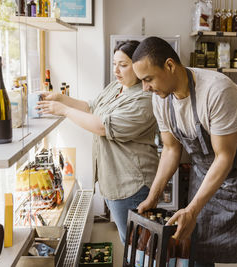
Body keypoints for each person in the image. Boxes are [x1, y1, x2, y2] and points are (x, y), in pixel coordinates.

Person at [133, 37, 237, 267]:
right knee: (198, 248)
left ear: (170, 65)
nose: (146, 88)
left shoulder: (217, 90)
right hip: (205, 174)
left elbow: (224, 156)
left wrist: (192, 209)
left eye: (148, 79)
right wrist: (153, 198)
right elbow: (170, 149)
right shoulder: (161, 99)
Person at [37, 40, 159, 243]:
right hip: (113, 179)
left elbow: (102, 127)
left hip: (132, 184)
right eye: (114, 64)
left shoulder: (144, 99)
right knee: (128, 241)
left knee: (138, 247)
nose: (116, 71)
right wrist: (60, 98)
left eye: (123, 65)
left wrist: (64, 111)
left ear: (138, 65)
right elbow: (91, 106)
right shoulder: (117, 87)